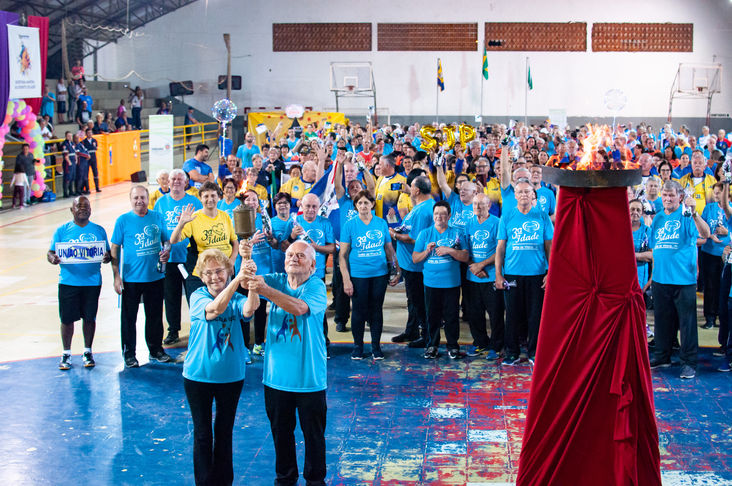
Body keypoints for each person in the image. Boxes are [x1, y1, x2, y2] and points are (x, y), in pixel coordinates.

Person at [245, 241, 328, 486]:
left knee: (313, 436)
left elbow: (299, 308)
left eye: (300, 256)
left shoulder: (316, 286)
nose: (293, 258)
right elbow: (245, 282)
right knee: (281, 434)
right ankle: (285, 479)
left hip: (308, 379)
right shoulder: (277, 279)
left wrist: (265, 290)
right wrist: (245, 260)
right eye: (290, 254)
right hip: (276, 379)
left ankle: (315, 481)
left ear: (312, 264)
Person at [183, 248, 259, 485]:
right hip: (198, 376)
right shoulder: (197, 296)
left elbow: (248, 310)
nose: (215, 277)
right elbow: (214, 310)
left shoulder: (236, 298)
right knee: (203, 434)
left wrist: (253, 286)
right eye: (209, 273)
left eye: (220, 272)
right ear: (202, 277)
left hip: (231, 376)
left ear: (227, 271)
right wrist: (237, 279)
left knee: (224, 433)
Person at [649, 180, 710, 379]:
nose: (667, 199)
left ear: (680, 196)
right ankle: (662, 355)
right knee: (662, 322)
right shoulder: (657, 218)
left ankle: (689, 362)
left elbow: (705, 234)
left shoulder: (686, 215)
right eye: (665, 195)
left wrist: (694, 213)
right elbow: (655, 247)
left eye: (671, 195)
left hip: (684, 280)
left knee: (687, 324)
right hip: (660, 279)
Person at [111, 185, 174, 368]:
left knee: (154, 316)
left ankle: (156, 350)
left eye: (142, 197)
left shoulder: (157, 217)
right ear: (131, 200)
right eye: (136, 198)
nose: (139, 201)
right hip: (131, 279)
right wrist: (116, 276)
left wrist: (166, 252)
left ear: (148, 199)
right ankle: (129, 354)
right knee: (129, 318)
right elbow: (114, 248)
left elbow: (166, 241)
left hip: (155, 277)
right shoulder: (123, 221)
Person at [495, 178, 554, 366]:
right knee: (512, 315)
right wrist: (498, 274)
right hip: (512, 274)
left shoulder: (542, 216)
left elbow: (549, 247)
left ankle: (534, 353)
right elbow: (500, 249)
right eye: (520, 192)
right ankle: (511, 353)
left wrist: (550, 272)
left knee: (535, 315)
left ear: (533, 194)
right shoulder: (507, 216)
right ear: (515, 195)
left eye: (527, 192)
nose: (523, 195)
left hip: (537, 274)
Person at [48, 196, 111, 369]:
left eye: (86, 206)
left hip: (92, 283)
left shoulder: (99, 230)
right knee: (67, 319)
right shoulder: (62, 230)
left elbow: (106, 254)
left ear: (91, 209)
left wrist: (106, 257)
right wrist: (53, 258)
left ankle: (87, 351)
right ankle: (66, 353)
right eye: (79, 206)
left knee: (89, 318)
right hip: (69, 282)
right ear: (72, 210)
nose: (83, 208)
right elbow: (51, 252)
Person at [339, 190, 400, 360]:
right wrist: (346, 279)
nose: (363, 206)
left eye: (366, 203)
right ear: (356, 206)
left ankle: (375, 347)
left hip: (379, 274)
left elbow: (389, 249)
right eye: (360, 203)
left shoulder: (380, 223)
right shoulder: (349, 225)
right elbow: (342, 255)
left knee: (376, 310)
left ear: (372, 204)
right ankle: (358, 347)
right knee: (358, 311)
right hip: (358, 275)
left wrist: (397, 269)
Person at [412, 201, 469, 359]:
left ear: (449, 216)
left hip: (451, 282)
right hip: (431, 282)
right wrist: (427, 251)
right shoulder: (425, 233)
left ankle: (453, 346)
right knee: (432, 316)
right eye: (436, 214)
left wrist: (449, 250)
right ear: (433, 215)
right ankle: (432, 345)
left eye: (443, 214)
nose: (439, 217)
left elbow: (465, 256)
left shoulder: (457, 233)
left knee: (452, 316)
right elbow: (415, 258)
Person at [282, 193, 335, 357]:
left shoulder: (324, 223)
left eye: (314, 206)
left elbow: (332, 248)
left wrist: (314, 247)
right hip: (295, 277)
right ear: (301, 207)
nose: (311, 210)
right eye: (308, 206)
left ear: (318, 208)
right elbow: (284, 247)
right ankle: (297, 343)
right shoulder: (294, 223)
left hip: (316, 274)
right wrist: (291, 236)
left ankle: (323, 344)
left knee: (318, 312)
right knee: (294, 311)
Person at [154, 169, 203, 344]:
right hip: (169, 258)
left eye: (179, 179)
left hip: (190, 258)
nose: (175, 182)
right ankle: (173, 330)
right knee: (171, 296)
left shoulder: (194, 202)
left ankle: (198, 327)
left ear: (185, 183)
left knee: (195, 294)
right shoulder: (160, 203)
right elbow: (156, 229)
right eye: (173, 179)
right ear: (168, 182)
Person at [171, 181, 239, 300]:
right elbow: (174, 240)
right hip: (204, 274)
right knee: (206, 307)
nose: (210, 199)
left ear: (219, 197)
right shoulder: (194, 218)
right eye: (206, 196)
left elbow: (234, 242)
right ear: (201, 199)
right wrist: (181, 224)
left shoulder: (225, 217)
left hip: (223, 271)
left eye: (213, 195)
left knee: (225, 306)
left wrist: (232, 261)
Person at [390, 175, 435, 346]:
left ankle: (426, 336)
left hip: (416, 265)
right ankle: (411, 330)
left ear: (417, 190)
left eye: (411, 187)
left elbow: (415, 239)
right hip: (410, 263)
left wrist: (394, 235)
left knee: (418, 301)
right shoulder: (423, 206)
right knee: (413, 300)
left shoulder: (424, 211)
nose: (409, 189)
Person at [464, 193, 504, 360]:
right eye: (474, 204)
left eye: (481, 204)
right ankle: (480, 342)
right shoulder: (469, 224)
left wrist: (482, 265)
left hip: (491, 276)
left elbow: (500, 251)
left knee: (495, 314)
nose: (477, 207)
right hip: (473, 276)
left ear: (489, 205)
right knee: (474, 313)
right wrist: (474, 266)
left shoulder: (497, 223)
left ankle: (496, 346)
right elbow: (465, 251)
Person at [239, 189, 277, 356]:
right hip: (245, 273)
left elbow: (274, 243)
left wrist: (271, 238)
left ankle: (259, 343)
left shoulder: (265, 220)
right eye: (248, 199)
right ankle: (244, 347)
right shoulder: (239, 220)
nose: (251, 202)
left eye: (254, 199)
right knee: (245, 311)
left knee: (261, 310)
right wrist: (250, 242)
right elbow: (237, 246)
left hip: (263, 270)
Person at [700, 182, 730, 329]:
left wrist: (727, 234)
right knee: (710, 286)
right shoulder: (708, 208)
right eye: (715, 192)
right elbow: (702, 228)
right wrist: (710, 235)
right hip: (709, 253)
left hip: (727, 255)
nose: (717, 195)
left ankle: (721, 316)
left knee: (723, 287)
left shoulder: (730, 210)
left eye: (720, 192)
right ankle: (710, 317)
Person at [375, 154, 408, 228]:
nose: (378, 166)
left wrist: (395, 209)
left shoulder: (402, 180)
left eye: (380, 164)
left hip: (392, 221)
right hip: (378, 219)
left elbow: (406, 200)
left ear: (387, 165)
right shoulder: (380, 178)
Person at [81, 128, 101, 193]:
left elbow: (96, 148)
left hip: (93, 158)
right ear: (86, 134)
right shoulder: (83, 142)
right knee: (86, 173)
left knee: (95, 172)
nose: (90, 134)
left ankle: (97, 187)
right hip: (87, 158)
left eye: (91, 132)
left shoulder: (94, 140)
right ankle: (87, 188)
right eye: (88, 133)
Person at [61, 131, 78, 198]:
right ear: (66, 136)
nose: (70, 137)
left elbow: (75, 152)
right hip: (68, 163)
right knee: (67, 177)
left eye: (71, 136)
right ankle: (65, 193)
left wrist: (76, 160)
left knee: (72, 177)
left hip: (73, 161)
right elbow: (65, 154)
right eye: (69, 136)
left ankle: (71, 191)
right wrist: (69, 162)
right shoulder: (65, 144)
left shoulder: (72, 143)